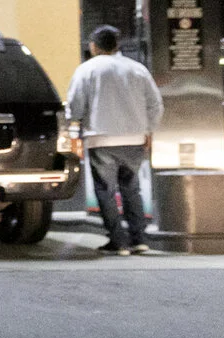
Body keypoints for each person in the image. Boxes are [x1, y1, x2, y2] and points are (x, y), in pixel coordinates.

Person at [65, 25, 165, 256]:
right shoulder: (137, 69)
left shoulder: (87, 70)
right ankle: (139, 239)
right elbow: (155, 104)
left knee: (105, 191)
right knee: (132, 189)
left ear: (93, 46)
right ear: (118, 45)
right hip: (134, 139)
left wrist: (74, 123)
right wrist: (149, 130)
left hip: (100, 139)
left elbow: (75, 105)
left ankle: (118, 241)